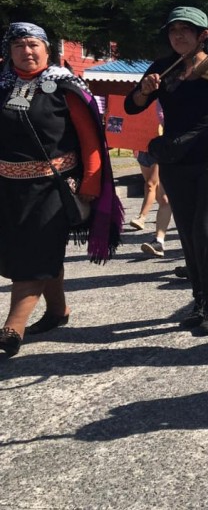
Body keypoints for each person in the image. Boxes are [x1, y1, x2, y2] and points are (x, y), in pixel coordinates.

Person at [125, 6, 208, 335]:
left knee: (206, 230)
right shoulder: (162, 68)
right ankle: (199, 301)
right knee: (187, 234)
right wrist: (144, 91)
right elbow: (132, 106)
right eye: (173, 30)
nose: (178, 36)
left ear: (204, 35)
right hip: (176, 160)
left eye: (186, 29)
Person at [0, 22, 123, 357]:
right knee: (31, 252)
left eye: (33, 45)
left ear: (46, 49)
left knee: (35, 254)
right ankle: (58, 311)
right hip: (9, 190)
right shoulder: (3, 87)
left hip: (53, 189)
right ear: (9, 52)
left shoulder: (66, 87)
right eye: (18, 46)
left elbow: (90, 140)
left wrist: (91, 182)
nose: (26, 51)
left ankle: (12, 328)